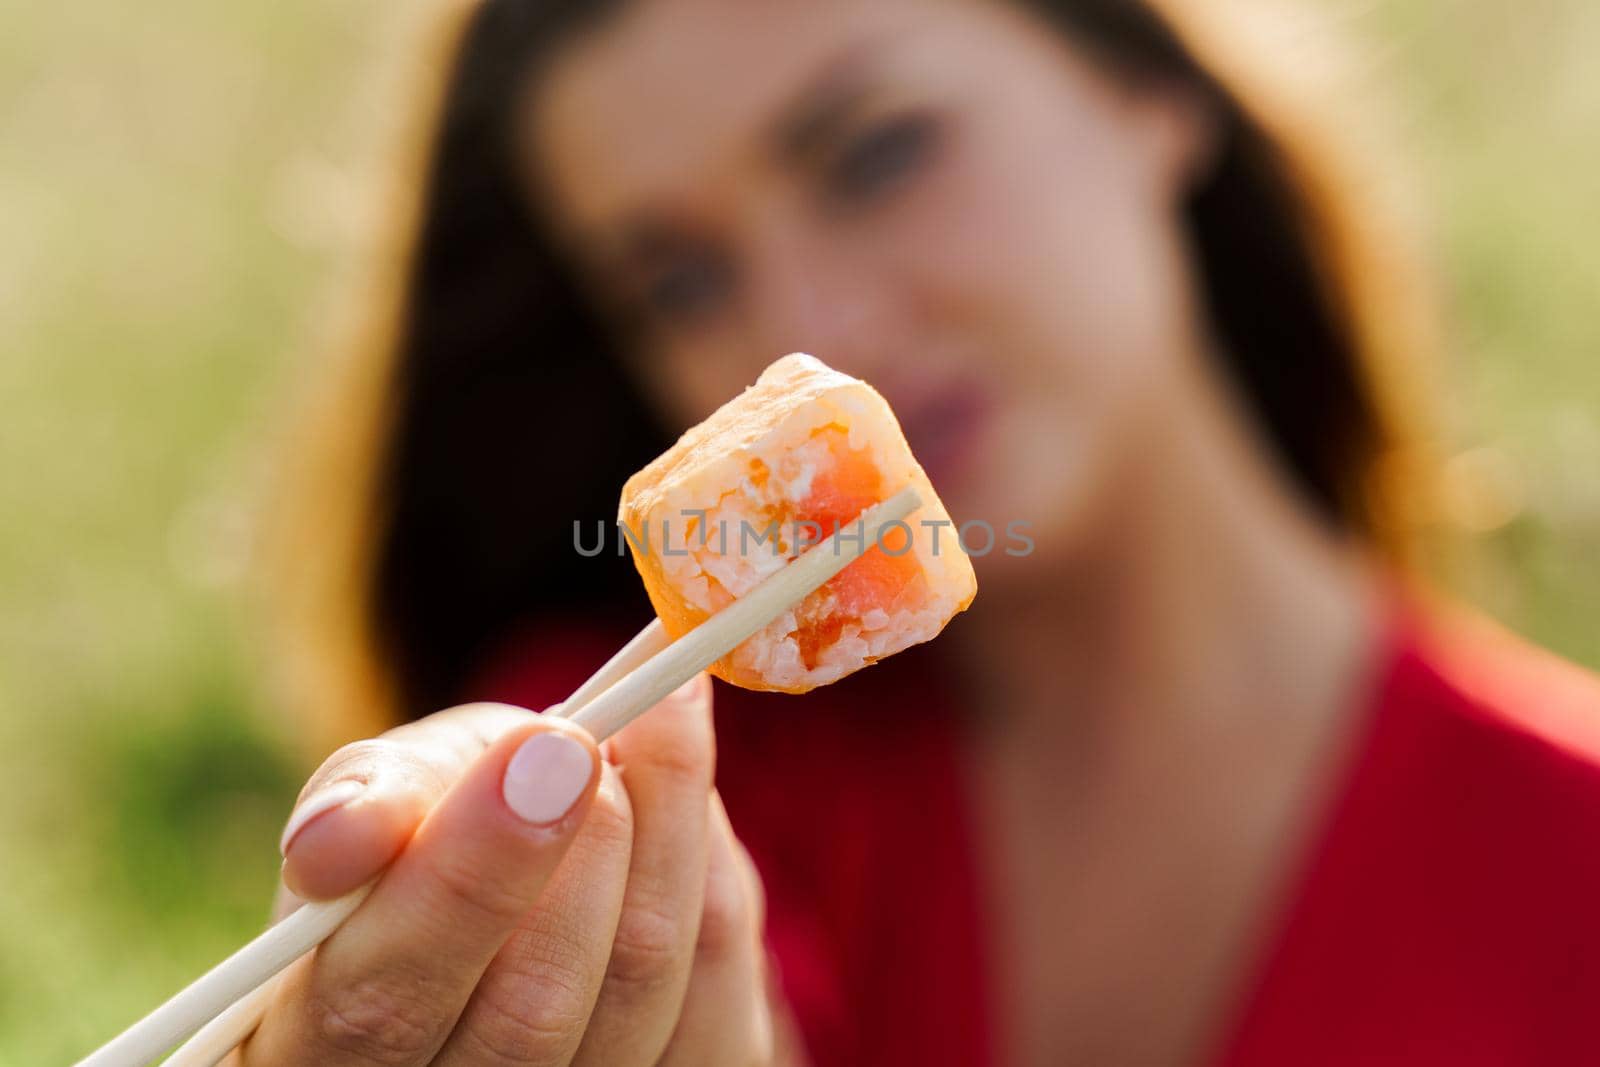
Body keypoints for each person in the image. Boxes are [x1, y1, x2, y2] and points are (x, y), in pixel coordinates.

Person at [252, 0, 1600, 1064]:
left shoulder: (1569, 858)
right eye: (678, 279)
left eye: (877, 153)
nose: (815, 330)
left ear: (1145, 82)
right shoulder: (645, 759)